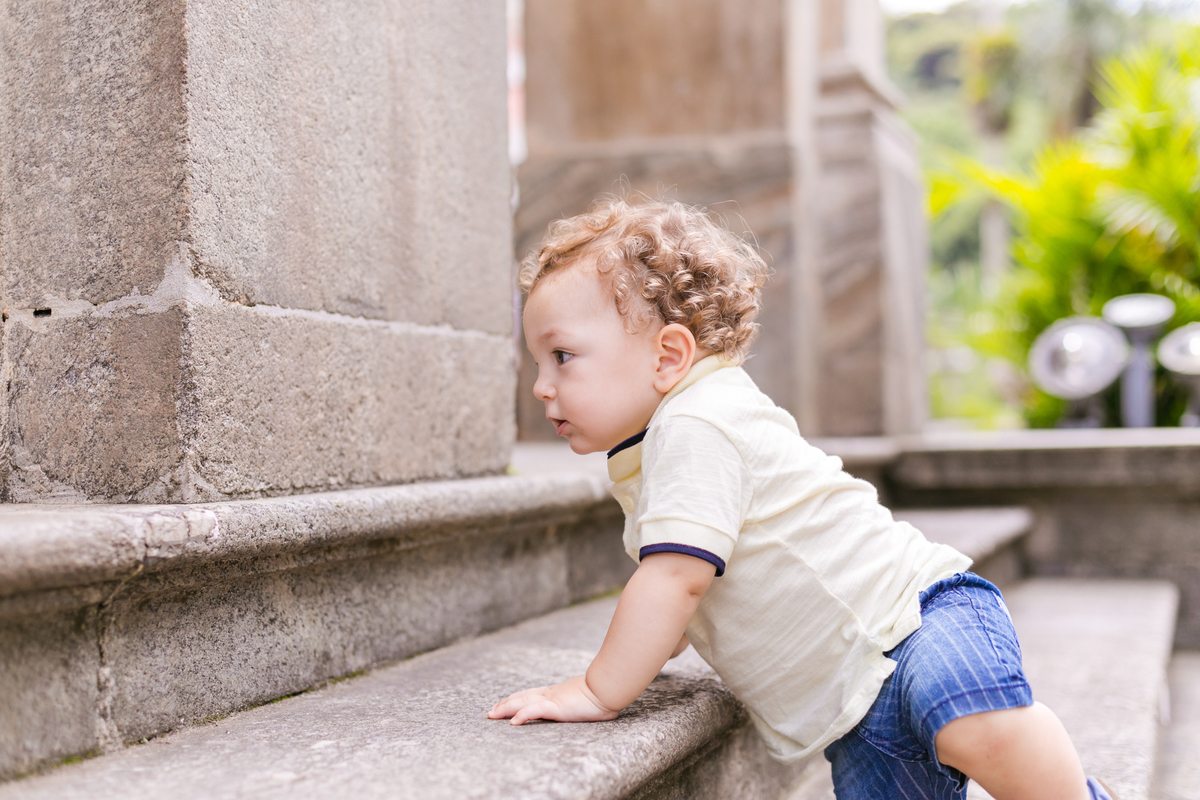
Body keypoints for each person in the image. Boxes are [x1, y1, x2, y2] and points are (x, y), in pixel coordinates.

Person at [489, 197, 1115, 800]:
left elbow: (676, 578)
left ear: (669, 354)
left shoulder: (696, 423)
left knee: (971, 723)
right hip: (859, 712)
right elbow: (688, 598)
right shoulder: (664, 441)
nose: (542, 388)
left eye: (563, 356)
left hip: (914, 623)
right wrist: (656, 642)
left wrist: (599, 692)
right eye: (537, 363)